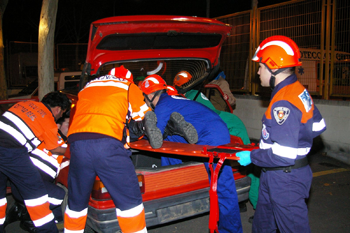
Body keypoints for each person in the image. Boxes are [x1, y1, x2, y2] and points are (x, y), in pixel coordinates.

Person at [236, 35, 327, 233]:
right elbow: (318, 126)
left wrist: (252, 156)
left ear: (273, 67)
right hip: (277, 174)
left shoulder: (284, 101)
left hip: (285, 179)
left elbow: (283, 155)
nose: (258, 72)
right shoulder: (297, 90)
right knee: (262, 226)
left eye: (261, 66)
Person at [63, 66, 164, 233]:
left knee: (77, 203)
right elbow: (144, 117)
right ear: (129, 79)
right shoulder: (128, 86)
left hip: (77, 143)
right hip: (107, 144)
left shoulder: (87, 87)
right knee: (130, 204)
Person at [141, 74, 243, 233]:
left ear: (148, 95)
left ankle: (230, 230)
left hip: (212, 135)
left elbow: (155, 137)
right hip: (211, 129)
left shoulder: (163, 105)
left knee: (223, 186)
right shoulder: (174, 99)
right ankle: (177, 178)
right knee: (170, 141)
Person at [0, 91, 70, 233]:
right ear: (57, 109)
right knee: (37, 197)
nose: (59, 117)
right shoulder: (48, 119)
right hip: (11, 150)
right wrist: (73, 151)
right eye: (62, 114)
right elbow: (55, 148)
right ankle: (44, 228)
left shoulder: (23, 104)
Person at [174, 70, 250, 145]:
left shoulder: (221, 83)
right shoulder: (196, 92)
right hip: (215, 116)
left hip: (214, 113)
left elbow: (231, 100)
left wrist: (227, 98)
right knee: (236, 124)